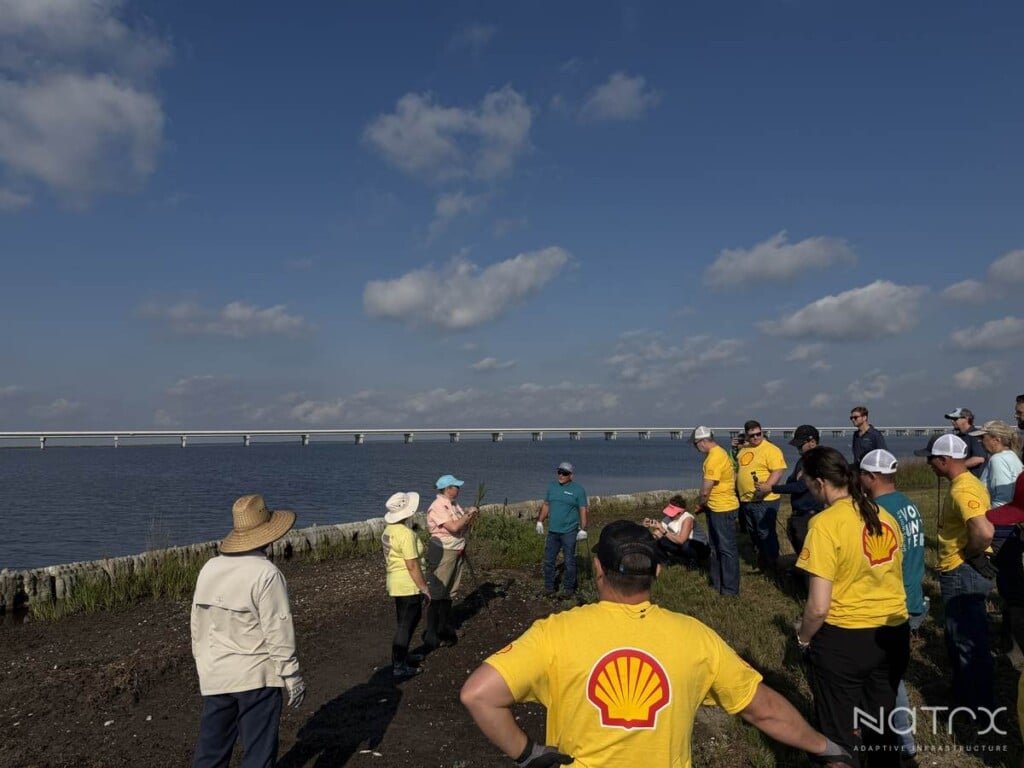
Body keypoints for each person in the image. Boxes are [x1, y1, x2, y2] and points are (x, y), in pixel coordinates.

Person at [460, 520, 854, 768]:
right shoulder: (695, 637)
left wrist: (528, 753)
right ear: (658, 572)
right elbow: (763, 709)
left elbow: (479, 694)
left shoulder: (555, 632)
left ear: (597, 569)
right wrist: (826, 747)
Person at [795, 446, 910, 767]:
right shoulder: (883, 515)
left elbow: (818, 606)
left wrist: (803, 639)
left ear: (821, 483)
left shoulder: (824, 524)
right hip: (893, 634)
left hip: (846, 638)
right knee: (881, 728)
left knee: (838, 740)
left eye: (807, 483)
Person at [190, 494, 306, 768]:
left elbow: (198, 625)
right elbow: (278, 630)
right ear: (267, 534)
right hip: (257, 676)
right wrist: (292, 676)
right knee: (258, 753)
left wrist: (204, 666)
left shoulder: (210, 567)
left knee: (211, 752)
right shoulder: (266, 573)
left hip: (217, 673)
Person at [914, 433, 995, 712]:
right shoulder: (969, 482)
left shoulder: (962, 489)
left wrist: (969, 553)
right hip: (962, 571)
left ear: (944, 460)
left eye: (931, 459)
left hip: (962, 572)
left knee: (967, 640)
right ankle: (963, 693)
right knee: (959, 635)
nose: (928, 465)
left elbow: (984, 531)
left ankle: (978, 707)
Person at [858, 449, 926, 765]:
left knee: (887, 681)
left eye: (861, 474)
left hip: (894, 603)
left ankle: (903, 744)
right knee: (891, 676)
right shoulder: (907, 503)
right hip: (913, 595)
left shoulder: (878, 511)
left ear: (870, 477)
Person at [381, 491, 432, 679]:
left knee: (404, 621)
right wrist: (424, 588)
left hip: (395, 582)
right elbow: (412, 564)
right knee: (407, 623)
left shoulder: (388, 531)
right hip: (408, 584)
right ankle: (399, 665)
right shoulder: (405, 534)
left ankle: (402, 656)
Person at [424, 474, 478, 649]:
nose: (458, 489)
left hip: (456, 548)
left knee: (450, 591)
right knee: (438, 591)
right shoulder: (437, 506)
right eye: (456, 487)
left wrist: (468, 516)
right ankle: (431, 632)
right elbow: (454, 526)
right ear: (447, 489)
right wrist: (467, 514)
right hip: (444, 550)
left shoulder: (453, 504)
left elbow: (462, 525)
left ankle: (444, 626)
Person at [692, 426, 742, 596]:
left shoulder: (714, 458)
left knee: (725, 548)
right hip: (718, 506)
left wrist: (701, 503)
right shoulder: (719, 453)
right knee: (717, 547)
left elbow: (706, 489)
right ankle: (718, 582)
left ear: (703, 441)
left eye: (695, 443)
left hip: (722, 508)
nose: (695, 447)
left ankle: (729, 589)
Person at [762, 424, 824, 556]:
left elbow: (800, 487)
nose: (797, 449)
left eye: (800, 445)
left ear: (812, 442)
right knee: (801, 550)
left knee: (809, 553)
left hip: (810, 513)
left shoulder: (816, 460)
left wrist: (771, 488)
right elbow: (791, 480)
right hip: (800, 512)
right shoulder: (803, 459)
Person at [734, 420, 787, 572]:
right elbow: (739, 469)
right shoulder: (744, 449)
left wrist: (767, 487)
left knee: (765, 532)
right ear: (747, 436)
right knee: (754, 532)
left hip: (765, 499)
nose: (756, 438)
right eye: (752, 436)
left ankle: (773, 564)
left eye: (759, 434)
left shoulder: (771, 449)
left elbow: (778, 471)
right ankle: (763, 562)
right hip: (746, 499)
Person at [969, 419, 1024, 552]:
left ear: (996, 439)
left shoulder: (997, 459)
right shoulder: (1012, 456)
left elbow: (1002, 497)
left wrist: (990, 523)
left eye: (983, 437)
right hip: (1013, 523)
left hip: (1003, 526)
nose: (980, 441)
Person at [536, 462, 588, 599]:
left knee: (569, 561)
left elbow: (582, 509)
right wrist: (540, 521)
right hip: (553, 531)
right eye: (559, 472)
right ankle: (549, 588)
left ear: (571, 475)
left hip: (569, 532)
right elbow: (546, 505)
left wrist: (583, 529)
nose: (561, 475)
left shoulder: (578, 490)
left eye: (564, 473)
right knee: (548, 560)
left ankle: (569, 589)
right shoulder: (552, 487)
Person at [642, 494, 709, 568]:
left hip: (701, 548)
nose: (670, 516)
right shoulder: (667, 519)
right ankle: (666, 562)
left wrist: (663, 530)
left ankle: (694, 563)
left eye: (672, 513)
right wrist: (645, 528)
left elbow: (681, 540)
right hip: (682, 546)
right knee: (657, 541)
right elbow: (654, 536)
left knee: (686, 544)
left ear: (681, 513)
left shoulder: (687, 519)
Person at [944, 407, 987, 477]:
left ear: (966, 419)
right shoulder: (959, 436)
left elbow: (979, 458)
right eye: (951, 419)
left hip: (974, 480)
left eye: (955, 419)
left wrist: (956, 467)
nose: (952, 421)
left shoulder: (975, 435)